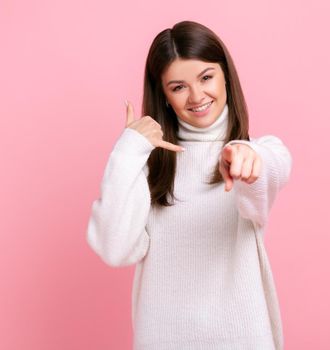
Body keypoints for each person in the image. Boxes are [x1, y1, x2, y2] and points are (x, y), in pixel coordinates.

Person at [86, 20, 292, 350]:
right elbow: (115, 249)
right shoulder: (147, 165)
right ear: (164, 95)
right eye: (179, 87)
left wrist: (247, 157)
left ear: (226, 75)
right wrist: (128, 151)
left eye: (206, 77)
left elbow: (268, 174)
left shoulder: (261, 151)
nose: (197, 96)